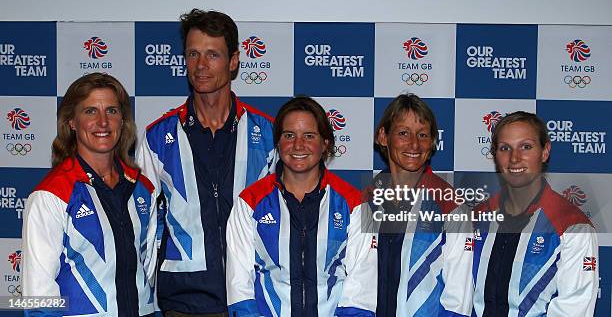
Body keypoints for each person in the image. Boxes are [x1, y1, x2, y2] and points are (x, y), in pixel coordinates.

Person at [136, 9, 276, 316]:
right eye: (193, 54)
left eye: (212, 54)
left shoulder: (268, 134)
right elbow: (142, 226)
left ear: (234, 61)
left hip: (253, 296)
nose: (201, 65)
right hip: (183, 301)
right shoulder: (157, 137)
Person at [226, 96, 377, 316]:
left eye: (309, 136)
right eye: (289, 136)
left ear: (325, 143)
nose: (298, 145)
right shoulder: (249, 203)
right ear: (278, 141)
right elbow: (239, 285)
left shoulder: (353, 204)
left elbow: (362, 283)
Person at [21, 73, 157, 316]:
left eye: (112, 111)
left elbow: (147, 272)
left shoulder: (143, 190)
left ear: (123, 120)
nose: (103, 122)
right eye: (91, 111)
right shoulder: (51, 195)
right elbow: (37, 297)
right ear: (72, 122)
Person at [472, 111, 599, 316]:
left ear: (545, 151)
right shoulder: (477, 218)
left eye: (526, 147)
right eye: (505, 148)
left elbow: (573, 310)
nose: (515, 158)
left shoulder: (572, 226)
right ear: (495, 154)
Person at [371, 93, 473, 316]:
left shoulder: (450, 205)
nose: (414, 144)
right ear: (383, 137)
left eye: (423, 135)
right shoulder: (365, 201)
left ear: (433, 142)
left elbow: (459, 298)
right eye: (403, 133)